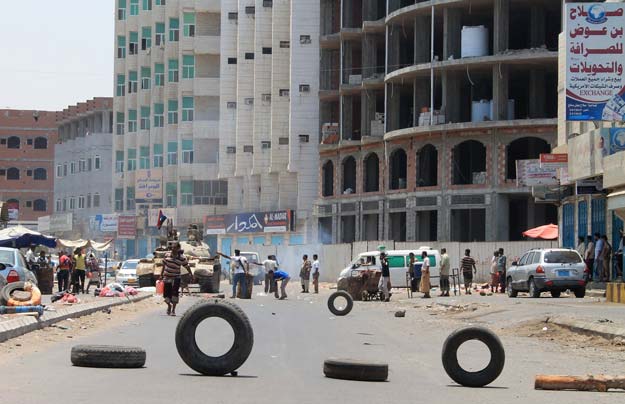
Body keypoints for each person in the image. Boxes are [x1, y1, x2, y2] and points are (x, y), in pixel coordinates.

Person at [162, 242, 190, 316]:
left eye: (175, 247)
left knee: (175, 294)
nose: (173, 249)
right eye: (172, 247)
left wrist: (191, 274)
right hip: (167, 277)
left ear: (178, 249)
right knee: (166, 295)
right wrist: (161, 274)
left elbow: (187, 266)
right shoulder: (167, 255)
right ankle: (169, 305)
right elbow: (164, 265)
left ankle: (173, 310)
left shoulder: (182, 258)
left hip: (176, 277)